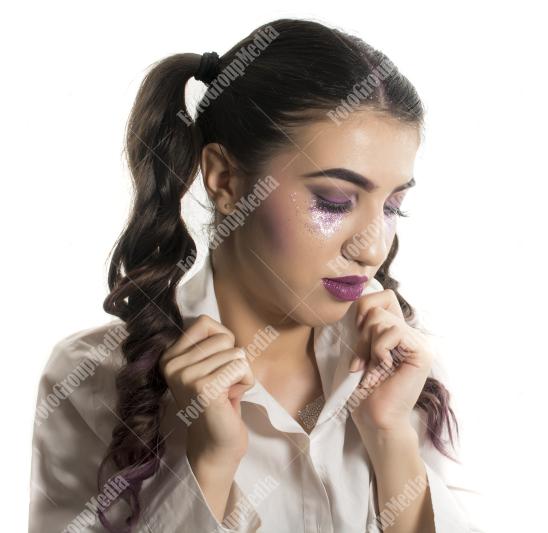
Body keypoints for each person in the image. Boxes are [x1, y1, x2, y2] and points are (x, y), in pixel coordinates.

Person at [28, 18, 485, 533]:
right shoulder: (95, 378)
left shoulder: (407, 377)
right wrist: (209, 465)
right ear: (224, 178)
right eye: (334, 202)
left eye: (393, 205)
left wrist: (389, 437)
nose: (373, 248)